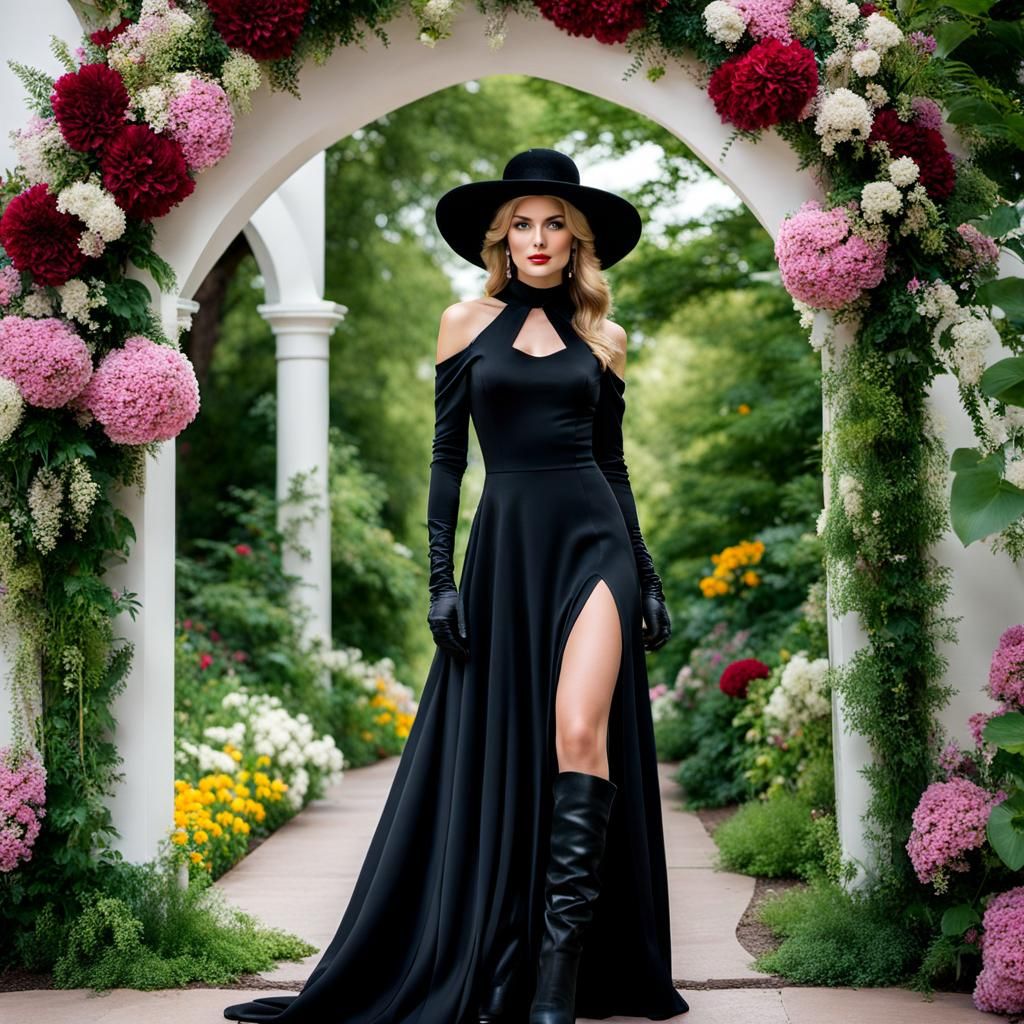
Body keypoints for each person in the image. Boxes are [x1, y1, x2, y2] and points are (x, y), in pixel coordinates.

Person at [223, 148, 689, 1024]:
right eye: (523, 223)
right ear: (501, 239)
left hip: (595, 546)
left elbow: (614, 467)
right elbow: (445, 462)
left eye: (556, 223)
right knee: (523, 737)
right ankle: (513, 957)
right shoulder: (463, 324)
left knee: (581, 729)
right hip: (506, 547)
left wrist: (648, 576)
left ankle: (557, 979)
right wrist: (440, 581)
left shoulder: (606, 339)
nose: (540, 238)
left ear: (578, 241)